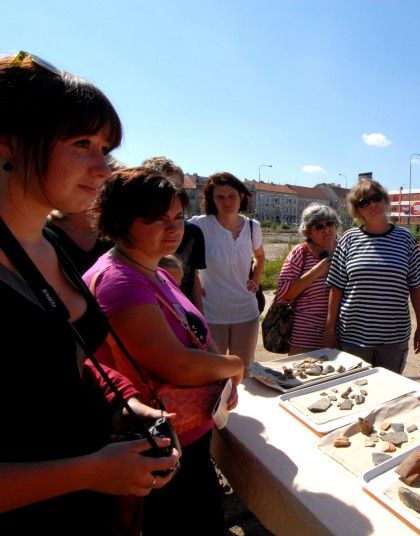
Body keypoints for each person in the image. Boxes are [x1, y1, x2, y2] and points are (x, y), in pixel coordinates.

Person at [0, 51, 178, 533]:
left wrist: (126, 403)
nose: (103, 168)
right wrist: (92, 471)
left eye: (106, 149)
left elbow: (70, 365)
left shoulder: (49, 243)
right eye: (82, 143)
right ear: (7, 144)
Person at [86, 167, 244, 535]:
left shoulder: (148, 268)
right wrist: (233, 365)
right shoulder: (120, 281)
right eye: (154, 219)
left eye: (177, 216)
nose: (173, 228)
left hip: (179, 435)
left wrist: (219, 370)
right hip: (162, 446)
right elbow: (176, 364)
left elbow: (193, 335)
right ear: (120, 221)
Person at [324, 178, 420, 373]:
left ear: (385, 199)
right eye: (364, 202)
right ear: (357, 210)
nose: (372, 204)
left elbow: (416, 287)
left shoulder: (405, 239)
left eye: (376, 197)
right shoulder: (348, 239)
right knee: (354, 391)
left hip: (393, 338)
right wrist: (329, 330)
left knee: (389, 394)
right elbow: (336, 288)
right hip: (353, 337)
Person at [189, 172, 265, 372]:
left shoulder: (252, 226)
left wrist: (255, 279)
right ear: (212, 200)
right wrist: (195, 283)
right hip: (211, 311)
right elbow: (184, 261)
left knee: (244, 371)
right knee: (216, 375)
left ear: (241, 196)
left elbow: (260, 256)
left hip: (246, 310)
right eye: (220, 197)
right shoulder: (200, 224)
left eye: (232, 196)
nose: (227, 202)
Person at [142, 156, 206, 312]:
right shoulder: (135, 233)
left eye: (177, 186)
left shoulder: (193, 233)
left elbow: (193, 276)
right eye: (164, 184)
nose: (171, 192)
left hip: (185, 312)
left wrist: (200, 315)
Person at [275, 203, 340, 355]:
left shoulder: (344, 249)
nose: (326, 229)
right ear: (308, 232)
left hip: (341, 332)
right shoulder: (300, 252)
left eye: (330, 224)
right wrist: (316, 272)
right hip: (305, 334)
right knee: (304, 374)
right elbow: (283, 295)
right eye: (318, 226)